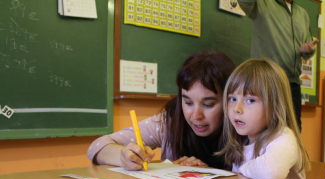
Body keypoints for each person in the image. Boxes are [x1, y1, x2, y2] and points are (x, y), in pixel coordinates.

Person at [87, 50, 235, 170]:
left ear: (230, 100)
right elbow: (97, 146)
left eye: (208, 105)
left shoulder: (244, 128)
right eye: (188, 102)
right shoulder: (168, 123)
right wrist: (123, 157)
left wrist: (207, 172)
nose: (196, 116)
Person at [216, 58, 310, 179]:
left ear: (275, 105)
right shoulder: (243, 140)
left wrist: (242, 169)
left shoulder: (284, 138)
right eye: (232, 98)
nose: (236, 108)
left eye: (250, 100)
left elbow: (272, 174)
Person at [238, 0, 319, 131]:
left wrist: (308, 50)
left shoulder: (303, 14)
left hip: (292, 82)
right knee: (266, 130)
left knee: (294, 130)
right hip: (267, 82)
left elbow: (307, 47)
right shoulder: (261, 3)